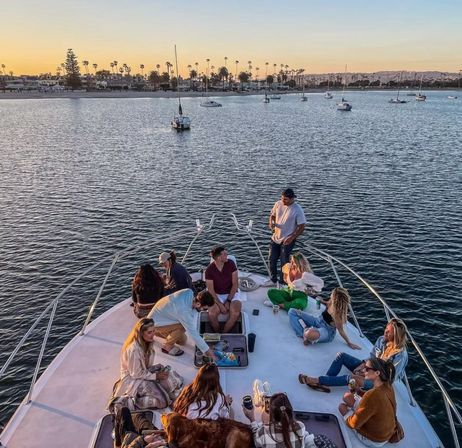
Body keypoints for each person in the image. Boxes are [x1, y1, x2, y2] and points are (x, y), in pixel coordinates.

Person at [299, 318, 408, 391]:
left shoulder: (400, 356)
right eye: (386, 329)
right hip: (370, 369)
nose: (385, 332)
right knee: (341, 356)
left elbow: (389, 379)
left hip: (378, 382)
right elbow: (372, 357)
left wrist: (367, 374)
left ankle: (318, 381)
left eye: (389, 332)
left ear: (396, 335)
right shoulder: (382, 340)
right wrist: (363, 367)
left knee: (351, 378)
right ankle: (327, 381)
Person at [109, 318, 183, 413]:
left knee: (169, 374)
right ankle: (133, 401)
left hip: (143, 373)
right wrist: (156, 376)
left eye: (153, 331)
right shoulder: (134, 350)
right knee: (163, 401)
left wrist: (157, 375)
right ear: (141, 333)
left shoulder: (147, 342)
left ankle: (157, 390)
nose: (153, 334)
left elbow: (145, 367)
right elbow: (135, 374)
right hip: (133, 380)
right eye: (149, 332)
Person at [338, 358, 399, 447]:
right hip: (385, 431)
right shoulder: (388, 385)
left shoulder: (372, 395)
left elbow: (353, 424)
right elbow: (374, 403)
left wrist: (349, 413)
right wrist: (358, 391)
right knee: (347, 396)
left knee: (341, 407)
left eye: (367, 368)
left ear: (377, 373)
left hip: (374, 439)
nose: (363, 370)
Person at [242, 392, 333, 448]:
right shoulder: (300, 426)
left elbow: (255, 441)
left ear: (272, 415)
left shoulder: (263, 432)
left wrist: (252, 419)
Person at [148, 288, 217, 359]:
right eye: (205, 309)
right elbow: (193, 334)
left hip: (162, 317)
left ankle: (158, 333)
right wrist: (209, 353)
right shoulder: (184, 312)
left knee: (182, 341)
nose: (205, 310)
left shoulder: (189, 291)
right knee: (183, 326)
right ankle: (167, 346)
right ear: (198, 304)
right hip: (155, 323)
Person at [288, 287, 361, 349]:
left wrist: (349, 343)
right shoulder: (331, 302)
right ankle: (305, 333)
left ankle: (306, 334)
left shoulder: (338, 315)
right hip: (318, 320)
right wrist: (320, 300)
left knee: (309, 334)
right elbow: (326, 303)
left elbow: (341, 331)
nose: (331, 295)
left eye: (332, 294)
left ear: (336, 299)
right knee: (292, 311)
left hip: (327, 331)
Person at [267, 188, 306, 286]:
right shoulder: (278, 203)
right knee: (272, 259)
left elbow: (301, 227)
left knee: (284, 263)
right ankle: (273, 280)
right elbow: (272, 215)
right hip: (275, 238)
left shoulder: (297, 210)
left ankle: (283, 283)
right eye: (282, 198)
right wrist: (271, 222)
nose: (283, 201)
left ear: (292, 199)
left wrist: (292, 237)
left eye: (286, 199)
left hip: (287, 240)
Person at [205, 246, 242, 333]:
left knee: (235, 312)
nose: (227, 255)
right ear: (219, 257)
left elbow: (235, 284)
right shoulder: (209, 270)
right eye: (225, 254)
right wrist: (220, 305)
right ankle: (217, 332)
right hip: (216, 295)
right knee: (212, 314)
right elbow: (211, 290)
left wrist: (228, 301)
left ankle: (224, 333)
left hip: (232, 293)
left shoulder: (231, 264)